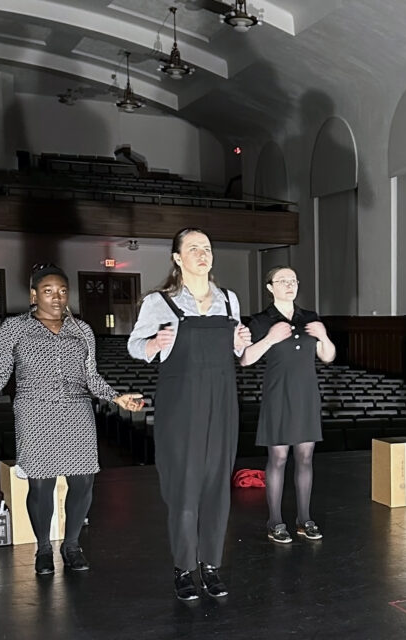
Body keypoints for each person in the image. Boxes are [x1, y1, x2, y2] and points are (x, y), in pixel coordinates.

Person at [0, 264, 143, 575]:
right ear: (34, 294)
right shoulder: (15, 328)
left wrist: (117, 397)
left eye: (62, 291)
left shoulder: (82, 330)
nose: (57, 297)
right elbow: (1, 371)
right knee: (41, 484)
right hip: (34, 411)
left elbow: (92, 377)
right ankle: (44, 549)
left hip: (77, 410)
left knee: (83, 481)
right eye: (48, 291)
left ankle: (71, 545)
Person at [127, 228, 251, 601]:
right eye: (193, 248)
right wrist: (152, 343)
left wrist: (239, 344)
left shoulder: (229, 300)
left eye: (207, 248)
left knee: (216, 485)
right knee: (184, 486)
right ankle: (184, 567)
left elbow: (236, 353)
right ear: (178, 258)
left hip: (222, 401)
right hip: (180, 403)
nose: (203, 253)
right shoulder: (159, 303)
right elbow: (134, 345)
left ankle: (211, 565)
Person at [241, 266, 336, 544]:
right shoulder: (260, 320)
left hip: (306, 395)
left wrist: (324, 335)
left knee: (306, 458)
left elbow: (327, 357)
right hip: (278, 395)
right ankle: (275, 521)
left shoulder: (310, 317)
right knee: (279, 458)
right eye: (282, 281)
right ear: (269, 287)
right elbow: (246, 359)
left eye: (293, 280)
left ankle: (304, 519)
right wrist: (270, 338)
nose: (289, 285)